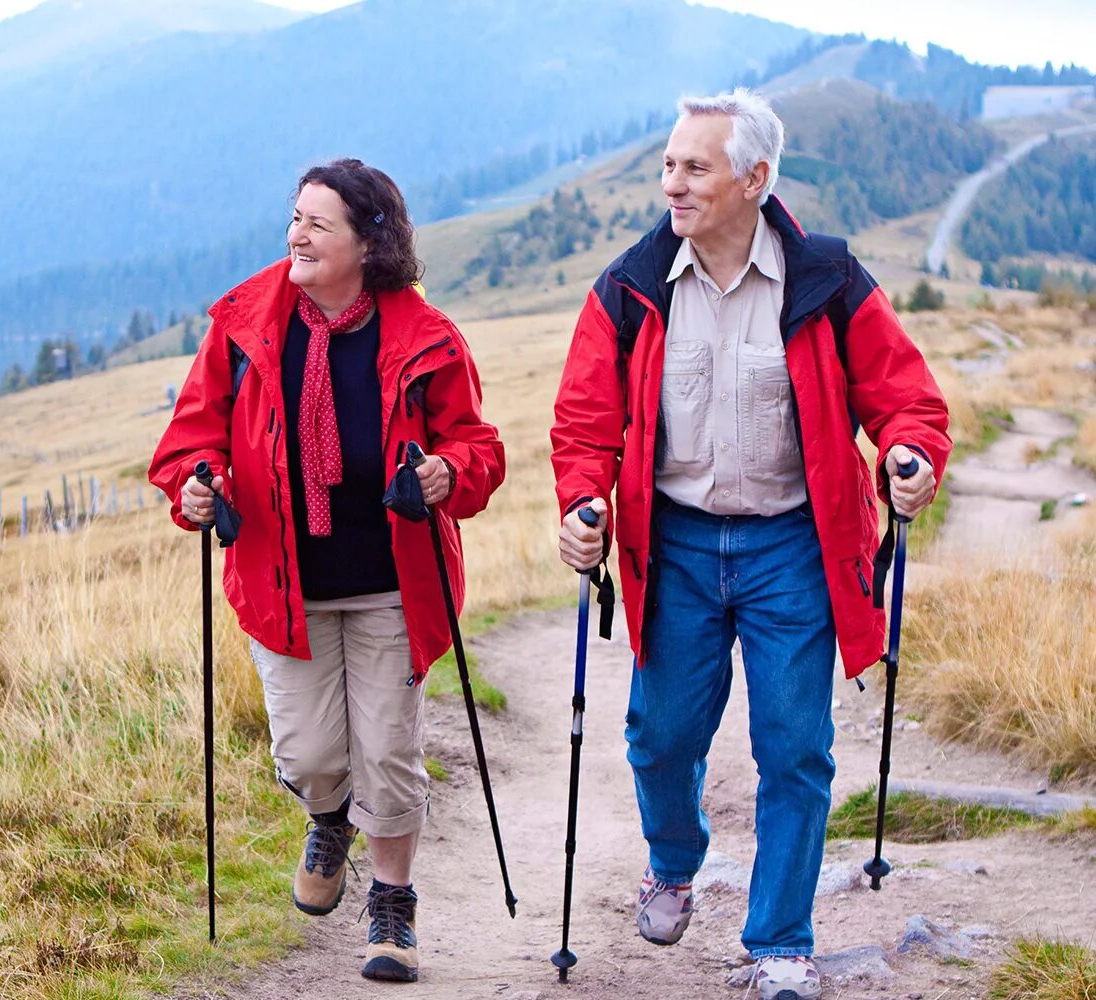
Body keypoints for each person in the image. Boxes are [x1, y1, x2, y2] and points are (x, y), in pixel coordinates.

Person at [549, 89, 951, 1000]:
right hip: (677, 544)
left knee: (795, 748)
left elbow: (906, 399)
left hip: (794, 550)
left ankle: (780, 942)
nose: (672, 184)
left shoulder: (828, 280)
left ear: (754, 179)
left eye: (695, 167)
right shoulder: (631, 286)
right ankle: (675, 858)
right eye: (668, 164)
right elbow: (583, 421)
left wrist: (909, 454)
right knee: (660, 735)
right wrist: (584, 502)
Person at [150, 158, 505, 984]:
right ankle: (328, 817)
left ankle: (392, 910)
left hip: (392, 582)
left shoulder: (424, 336)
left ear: (367, 241)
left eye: (317, 222)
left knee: (389, 753)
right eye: (295, 218)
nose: (296, 234)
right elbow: (187, 442)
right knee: (311, 756)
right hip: (283, 586)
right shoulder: (245, 327)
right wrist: (198, 485)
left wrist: (447, 474)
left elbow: (477, 447)